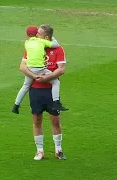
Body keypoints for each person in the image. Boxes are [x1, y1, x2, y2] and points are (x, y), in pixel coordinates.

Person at [19, 24, 67, 160]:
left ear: (46, 37)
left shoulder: (57, 49)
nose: (35, 35)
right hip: (35, 90)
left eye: (38, 33)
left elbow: (61, 69)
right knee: (36, 119)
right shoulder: (32, 46)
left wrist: (47, 77)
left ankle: (58, 150)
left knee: (55, 120)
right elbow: (22, 66)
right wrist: (35, 77)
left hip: (51, 90)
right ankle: (40, 151)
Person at [12, 26, 68, 114]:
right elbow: (55, 44)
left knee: (25, 86)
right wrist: (51, 37)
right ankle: (56, 102)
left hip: (30, 69)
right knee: (56, 82)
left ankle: (16, 105)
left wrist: (33, 76)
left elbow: (23, 66)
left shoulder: (27, 43)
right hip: (40, 69)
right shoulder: (41, 41)